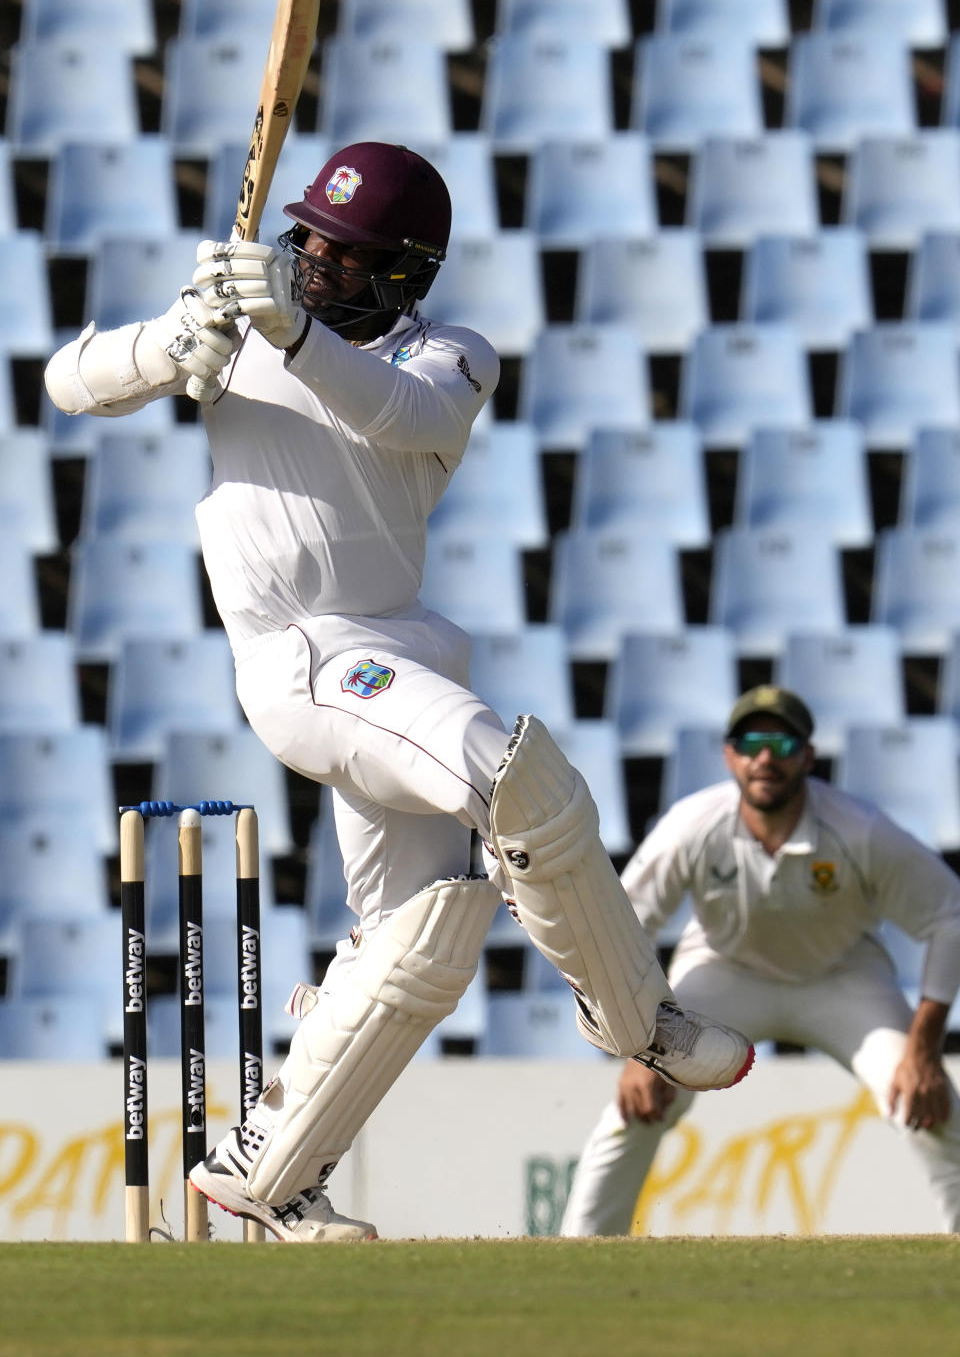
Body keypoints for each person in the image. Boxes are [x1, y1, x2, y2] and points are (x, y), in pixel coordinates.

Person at [45, 141, 752, 1243]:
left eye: (346, 252)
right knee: (515, 772)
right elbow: (65, 384)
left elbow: (396, 416)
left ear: (406, 273)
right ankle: (632, 1014)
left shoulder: (452, 358)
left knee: (422, 934)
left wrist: (287, 330)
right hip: (303, 659)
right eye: (309, 239)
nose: (315, 259)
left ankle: (269, 1176)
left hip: (398, 657)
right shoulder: (240, 325)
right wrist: (169, 342)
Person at [561, 685, 960, 1236]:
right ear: (730, 755)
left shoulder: (859, 829)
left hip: (843, 979)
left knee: (931, 1107)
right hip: (725, 973)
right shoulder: (693, 824)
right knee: (637, 1107)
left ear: (807, 756)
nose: (765, 757)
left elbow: (950, 915)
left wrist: (923, 1051)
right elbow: (622, 927)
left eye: (781, 741)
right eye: (750, 742)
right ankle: (582, 1255)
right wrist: (638, 1047)